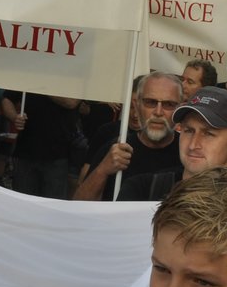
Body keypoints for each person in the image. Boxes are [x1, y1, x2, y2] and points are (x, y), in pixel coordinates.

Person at [73, 73, 182, 201]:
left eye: (168, 104)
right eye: (150, 102)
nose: (158, 112)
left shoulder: (189, 152)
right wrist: (103, 170)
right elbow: (80, 204)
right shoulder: (117, 149)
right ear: (137, 106)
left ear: (179, 109)